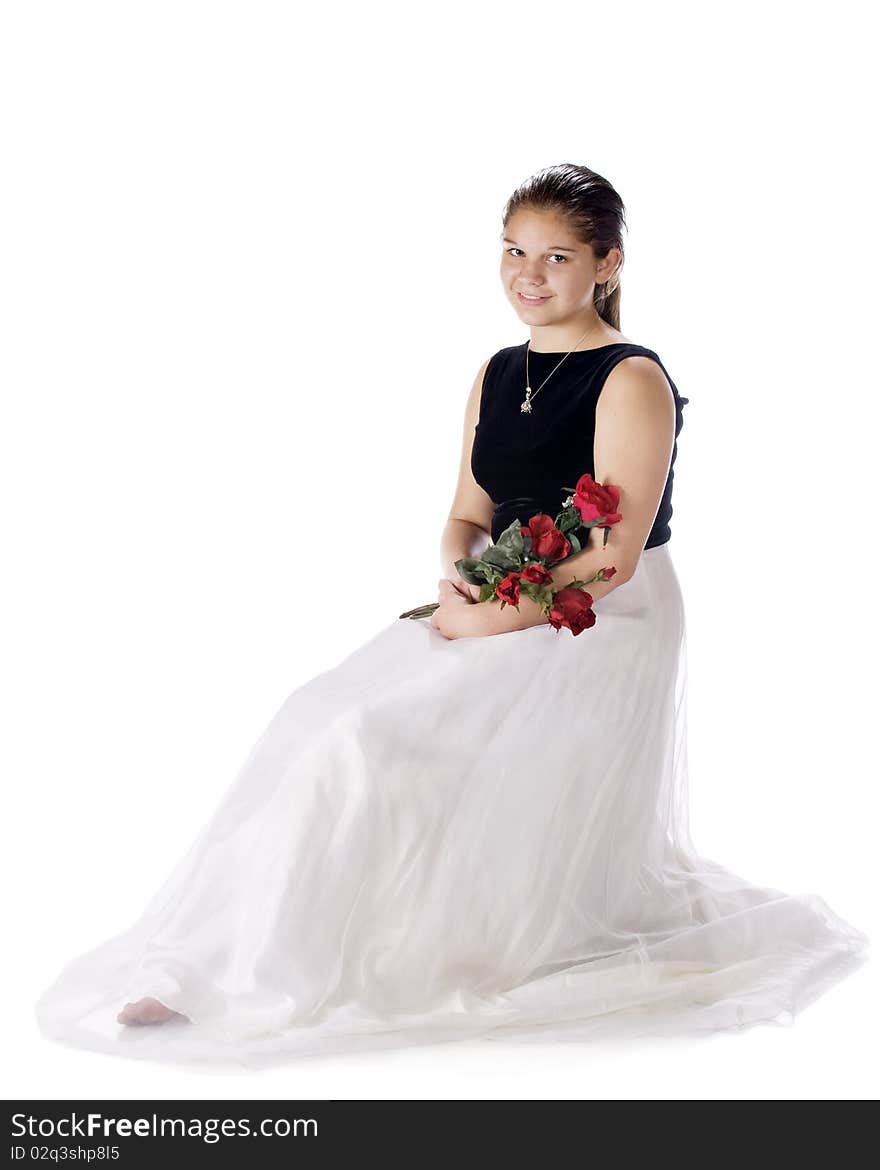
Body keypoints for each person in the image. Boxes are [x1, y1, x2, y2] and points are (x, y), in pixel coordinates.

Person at [34, 164, 870, 1068]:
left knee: (371, 734)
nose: (528, 274)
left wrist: (498, 613)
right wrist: (459, 584)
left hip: (600, 614)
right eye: (514, 252)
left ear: (608, 264)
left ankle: (331, 960)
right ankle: (212, 961)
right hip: (502, 594)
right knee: (318, 715)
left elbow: (616, 554)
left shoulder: (632, 379)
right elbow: (468, 513)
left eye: (556, 256)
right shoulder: (498, 369)